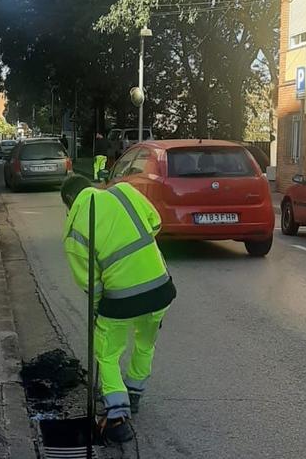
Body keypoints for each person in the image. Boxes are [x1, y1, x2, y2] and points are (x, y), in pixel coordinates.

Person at [60, 175, 176, 444]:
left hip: (120, 299)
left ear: (68, 202)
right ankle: (134, 393)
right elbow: (155, 223)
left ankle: (117, 416)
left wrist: (100, 309)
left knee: (108, 352)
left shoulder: (74, 229)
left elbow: (90, 283)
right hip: (160, 288)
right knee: (145, 343)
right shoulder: (125, 192)